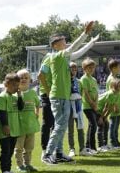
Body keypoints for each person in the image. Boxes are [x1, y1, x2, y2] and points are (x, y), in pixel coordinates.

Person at [42, 22, 99, 165]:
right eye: (63, 41)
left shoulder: (64, 57)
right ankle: (48, 154)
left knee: (61, 126)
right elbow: (74, 47)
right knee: (60, 126)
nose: (66, 43)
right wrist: (85, 33)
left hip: (63, 96)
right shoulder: (56, 56)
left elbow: (78, 52)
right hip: (58, 96)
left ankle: (59, 153)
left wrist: (91, 42)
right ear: (55, 45)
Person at [0, 73, 22, 173]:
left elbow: (20, 107)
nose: (17, 87)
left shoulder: (14, 97)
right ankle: (4, 172)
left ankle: (8, 169)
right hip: (5, 130)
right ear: (7, 84)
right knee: (5, 150)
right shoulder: (2, 97)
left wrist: (19, 96)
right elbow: (1, 112)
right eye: (14, 85)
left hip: (14, 129)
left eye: (17, 85)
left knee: (10, 150)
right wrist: (5, 125)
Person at [15, 69, 40, 173]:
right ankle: (20, 165)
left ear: (30, 80)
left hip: (31, 125)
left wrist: (37, 112)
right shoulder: (15, 94)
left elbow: (38, 104)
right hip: (19, 126)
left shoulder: (33, 93)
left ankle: (28, 164)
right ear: (17, 80)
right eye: (21, 78)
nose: (24, 79)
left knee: (29, 147)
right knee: (19, 147)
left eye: (26, 78)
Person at [37, 51, 54, 160]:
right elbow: (41, 75)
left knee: (55, 124)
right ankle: (45, 151)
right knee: (47, 123)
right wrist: (48, 92)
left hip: (57, 95)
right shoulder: (49, 57)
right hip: (48, 95)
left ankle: (53, 150)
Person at [80, 57, 99, 154]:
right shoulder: (83, 79)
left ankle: (89, 146)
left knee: (92, 126)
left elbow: (96, 92)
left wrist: (96, 103)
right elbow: (86, 93)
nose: (91, 69)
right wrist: (92, 103)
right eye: (89, 67)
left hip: (94, 106)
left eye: (92, 67)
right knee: (93, 125)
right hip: (87, 106)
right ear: (84, 68)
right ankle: (92, 147)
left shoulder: (94, 79)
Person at [66, 62, 85, 157]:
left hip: (78, 107)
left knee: (80, 127)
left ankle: (82, 148)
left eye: (75, 69)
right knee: (70, 129)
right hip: (69, 107)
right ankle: (71, 148)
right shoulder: (65, 81)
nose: (73, 71)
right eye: (71, 69)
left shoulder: (79, 81)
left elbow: (81, 94)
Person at [96, 78, 120, 152]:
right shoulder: (110, 94)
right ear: (113, 86)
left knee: (106, 124)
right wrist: (101, 118)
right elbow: (106, 107)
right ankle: (100, 146)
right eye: (118, 86)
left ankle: (105, 144)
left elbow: (111, 108)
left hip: (102, 111)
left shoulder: (117, 94)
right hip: (97, 109)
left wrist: (105, 117)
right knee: (101, 125)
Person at [105, 59, 120, 148]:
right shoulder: (111, 79)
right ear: (113, 68)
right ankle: (113, 141)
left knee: (116, 124)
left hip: (117, 103)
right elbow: (111, 93)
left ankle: (116, 140)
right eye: (118, 67)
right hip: (113, 104)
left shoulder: (116, 77)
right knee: (114, 124)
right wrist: (115, 105)